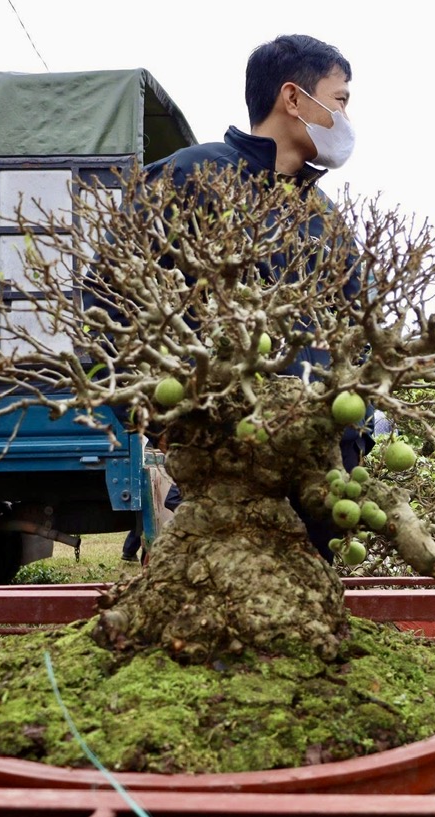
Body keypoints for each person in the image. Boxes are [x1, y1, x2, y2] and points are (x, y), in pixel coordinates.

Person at [140, 34, 369, 558]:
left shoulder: (325, 218)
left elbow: (361, 334)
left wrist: (353, 434)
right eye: (340, 100)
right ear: (293, 98)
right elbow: (110, 296)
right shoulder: (190, 179)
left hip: (317, 464)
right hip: (225, 453)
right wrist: (161, 420)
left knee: (307, 592)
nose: (346, 119)